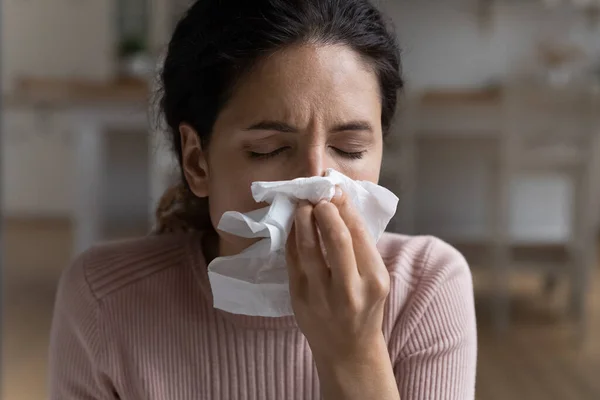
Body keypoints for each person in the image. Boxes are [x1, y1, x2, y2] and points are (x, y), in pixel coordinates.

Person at [48, 0, 477, 399]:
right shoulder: (104, 299)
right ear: (198, 162)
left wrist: (354, 353)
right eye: (268, 150)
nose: (315, 180)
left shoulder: (426, 287)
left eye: (349, 148)